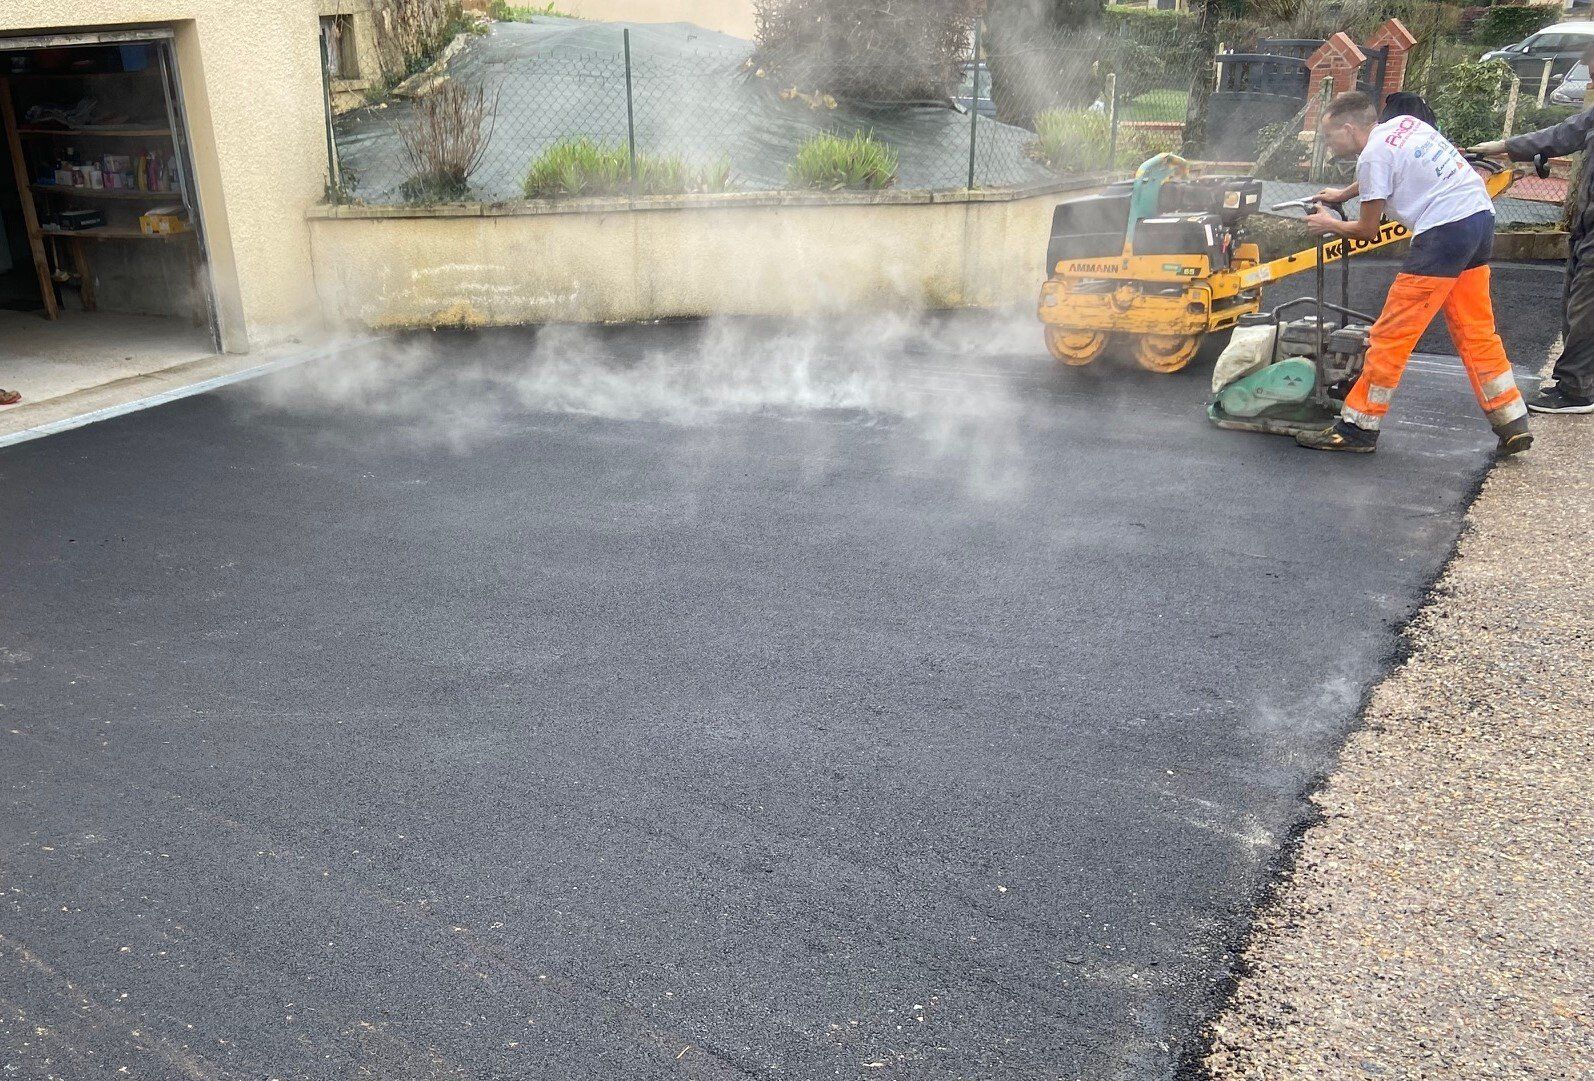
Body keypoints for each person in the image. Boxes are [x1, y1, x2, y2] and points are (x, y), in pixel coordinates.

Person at [1295, 91, 1531, 454]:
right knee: (1475, 329)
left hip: (1443, 232)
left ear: (1348, 128)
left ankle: (1358, 427)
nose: (1329, 144)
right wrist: (1344, 195)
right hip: (1479, 220)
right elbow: (1391, 170)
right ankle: (1511, 420)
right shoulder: (1405, 125)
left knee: (1392, 333)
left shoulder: (1372, 156)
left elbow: (1366, 231)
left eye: (1330, 137)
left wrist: (1328, 224)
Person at [1471, 43, 1594, 415]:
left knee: (1585, 308)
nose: (1590, 76)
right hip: (1585, 227)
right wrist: (1497, 148)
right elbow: (1560, 134)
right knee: (1575, 302)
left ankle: (1576, 390)